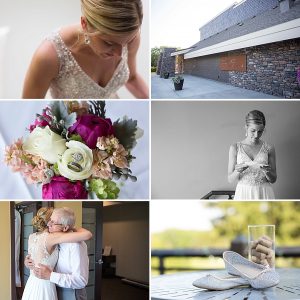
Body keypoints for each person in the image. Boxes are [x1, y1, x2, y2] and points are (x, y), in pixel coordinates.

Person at [22, 0, 148, 99]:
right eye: (109, 42)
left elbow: (131, 78)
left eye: (128, 42)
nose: (119, 54)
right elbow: (28, 108)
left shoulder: (130, 37)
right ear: (84, 24)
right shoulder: (49, 56)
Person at [23, 207, 92, 300]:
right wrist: (31, 262)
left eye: (53, 222)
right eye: (50, 220)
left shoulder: (76, 245)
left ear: (65, 227)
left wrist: (50, 276)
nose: (48, 224)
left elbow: (81, 281)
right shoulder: (53, 239)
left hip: (71, 293)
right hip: (53, 288)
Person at [228, 110, 277, 199]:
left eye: (260, 131)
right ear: (246, 128)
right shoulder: (235, 147)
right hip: (243, 192)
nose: (256, 135)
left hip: (264, 192)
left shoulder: (269, 148)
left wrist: (267, 172)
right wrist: (237, 170)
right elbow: (230, 179)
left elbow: (273, 179)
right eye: (253, 131)